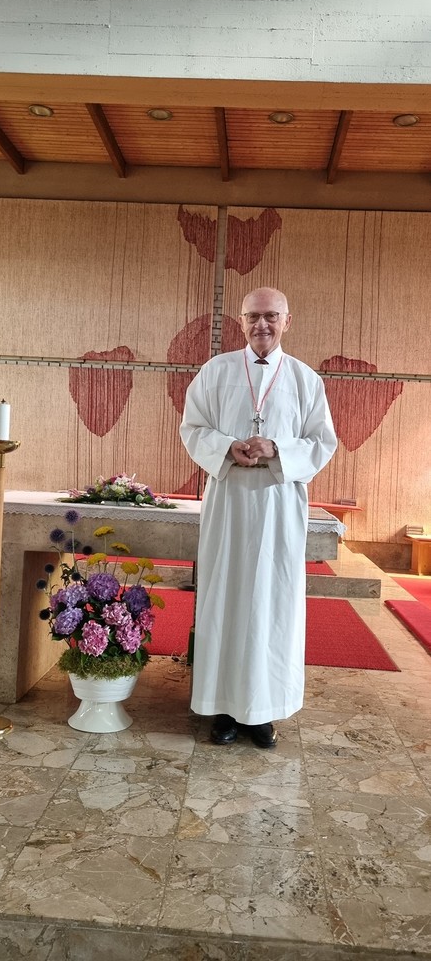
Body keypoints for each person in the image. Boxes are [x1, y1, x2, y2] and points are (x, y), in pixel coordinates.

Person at [180, 287, 337, 748]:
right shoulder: (216, 371)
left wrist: (277, 448)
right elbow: (192, 427)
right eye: (253, 316)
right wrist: (226, 446)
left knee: (272, 603)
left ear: (287, 321)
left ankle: (263, 711)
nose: (261, 325)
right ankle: (223, 708)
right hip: (229, 499)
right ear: (241, 321)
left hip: (277, 504)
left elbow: (322, 442)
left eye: (271, 316)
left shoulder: (306, 380)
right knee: (225, 598)